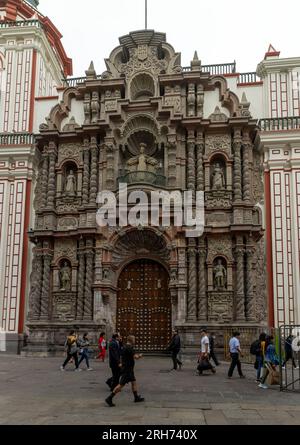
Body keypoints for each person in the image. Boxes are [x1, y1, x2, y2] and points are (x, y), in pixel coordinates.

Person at [105, 335, 144, 407]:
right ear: (131, 340)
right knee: (120, 385)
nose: (135, 341)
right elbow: (136, 357)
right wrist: (140, 355)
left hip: (128, 368)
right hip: (127, 369)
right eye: (134, 339)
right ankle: (109, 398)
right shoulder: (130, 348)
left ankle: (136, 397)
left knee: (133, 382)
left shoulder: (125, 346)